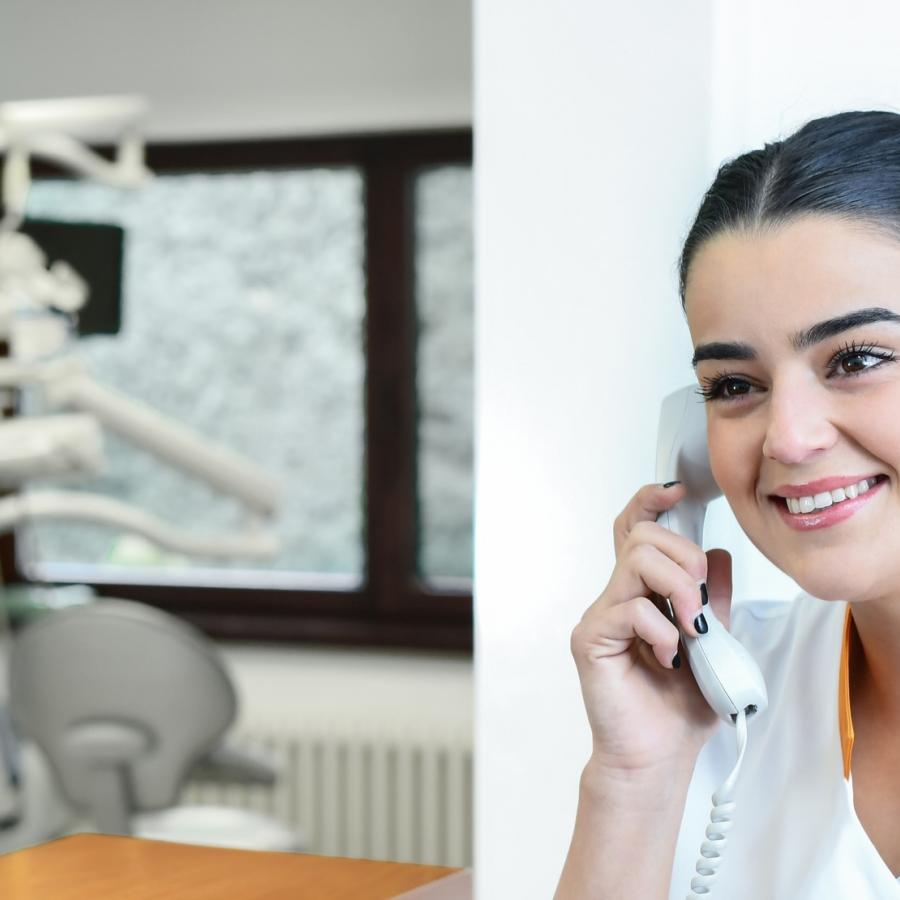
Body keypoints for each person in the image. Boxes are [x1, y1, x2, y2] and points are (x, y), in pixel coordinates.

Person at [554, 109, 900, 899]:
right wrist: (637, 777)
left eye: (858, 358)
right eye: (735, 386)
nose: (787, 437)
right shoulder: (723, 692)